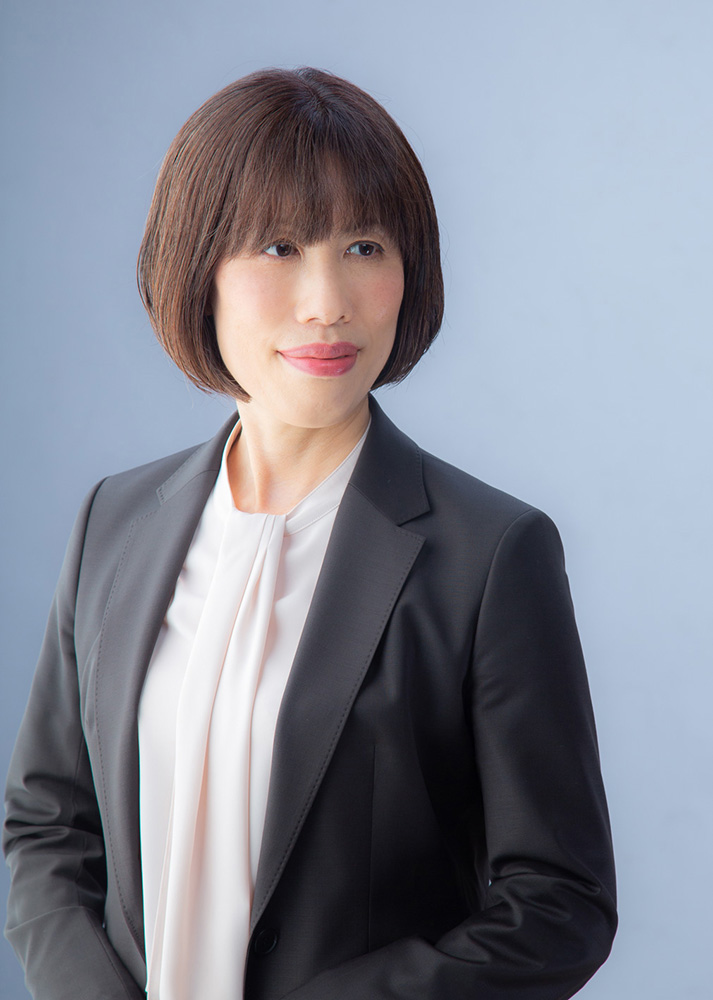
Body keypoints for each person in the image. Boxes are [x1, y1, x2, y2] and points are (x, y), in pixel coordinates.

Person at [3, 67, 617, 1000]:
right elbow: (49, 823)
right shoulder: (113, 522)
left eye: (364, 246)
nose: (327, 300)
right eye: (279, 246)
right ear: (197, 269)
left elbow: (559, 903)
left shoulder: (490, 554)